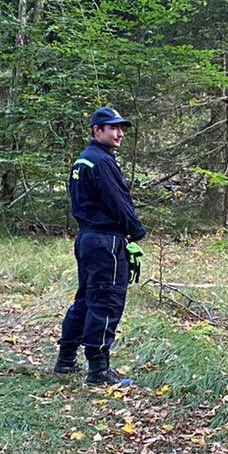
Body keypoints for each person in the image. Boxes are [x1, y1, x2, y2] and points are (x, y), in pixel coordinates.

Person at [54, 106, 146, 384]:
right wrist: (136, 230)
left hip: (87, 239)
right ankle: (98, 370)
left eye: (121, 129)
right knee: (105, 300)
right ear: (97, 131)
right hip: (105, 241)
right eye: (113, 128)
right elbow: (118, 203)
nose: (119, 134)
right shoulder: (101, 161)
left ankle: (66, 359)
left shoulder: (85, 160)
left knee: (85, 298)